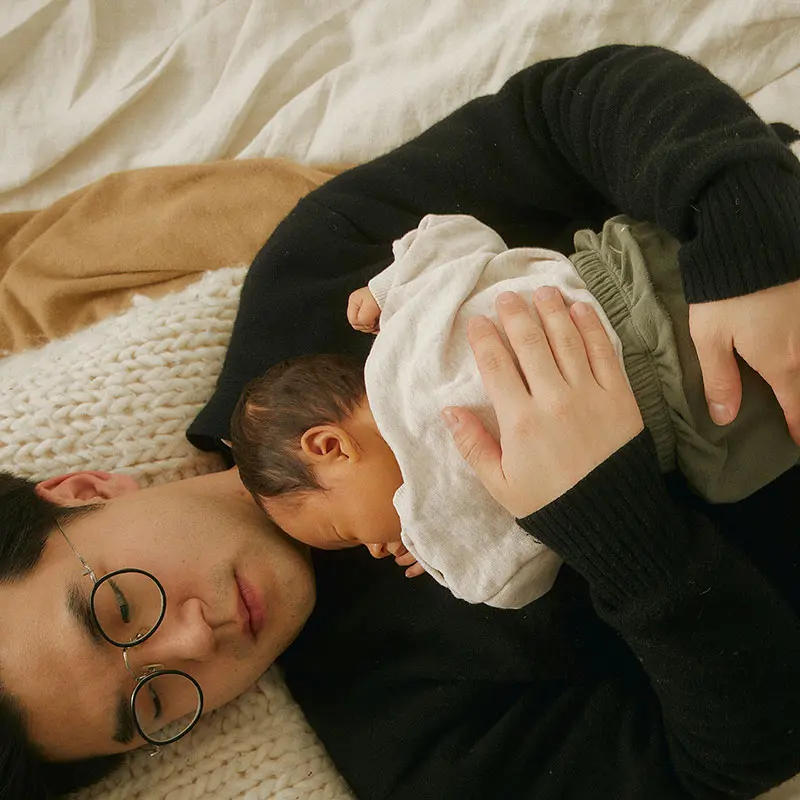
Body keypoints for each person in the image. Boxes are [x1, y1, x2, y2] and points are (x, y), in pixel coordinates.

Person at [2, 44, 800, 800]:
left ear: (84, 489)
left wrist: (749, 237)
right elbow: (736, 759)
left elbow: (562, 112)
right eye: (152, 708)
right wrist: (615, 528)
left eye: (119, 611)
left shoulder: (303, 289)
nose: (191, 645)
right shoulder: (419, 743)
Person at [229, 211, 799, 608]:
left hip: (686, 395)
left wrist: (440, 554)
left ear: (329, 446)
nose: (377, 550)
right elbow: (457, 235)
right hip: (631, 272)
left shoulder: (437, 503)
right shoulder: (407, 324)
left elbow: (507, 584)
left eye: (346, 533)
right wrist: (392, 282)